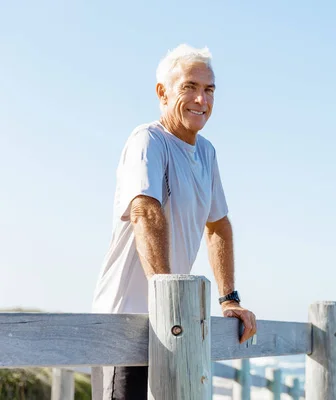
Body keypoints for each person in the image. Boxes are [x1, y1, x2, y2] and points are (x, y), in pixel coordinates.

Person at [90, 44, 257, 399]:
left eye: (209, 90)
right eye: (189, 87)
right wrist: (167, 297)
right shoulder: (147, 140)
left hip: (171, 322)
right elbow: (145, 212)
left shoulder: (207, 153)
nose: (201, 99)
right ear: (162, 93)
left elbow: (218, 226)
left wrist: (229, 298)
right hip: (126, 322)